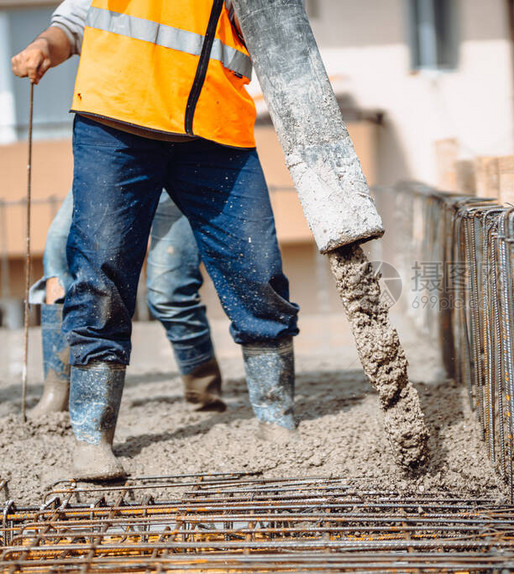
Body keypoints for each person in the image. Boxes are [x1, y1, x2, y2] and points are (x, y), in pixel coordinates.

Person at [11, 0, 300, 481]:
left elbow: (274, 31)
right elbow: (73, 23)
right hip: (117, 123)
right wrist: (44, 45)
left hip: (216, 130)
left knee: (257, 271)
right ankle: (91, 436)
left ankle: (277, 416)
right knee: (100, 273)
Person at [29, 190, 226, 418]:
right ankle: (57, 395)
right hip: (114, 160)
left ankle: (205, 396)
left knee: (168, 292)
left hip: (181, 164)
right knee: (59, 252)